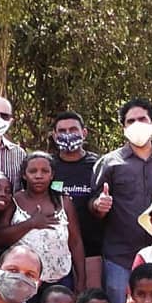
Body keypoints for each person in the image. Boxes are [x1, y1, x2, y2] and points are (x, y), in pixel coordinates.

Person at [89, 98, 152, 303]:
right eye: (131, 121)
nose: (137, 124)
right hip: (120, 257)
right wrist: (99, 205)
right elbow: (93, 203)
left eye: (142, 119)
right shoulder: (109, 162)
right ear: (123, 127)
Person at [0, 151, 86, 295]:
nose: (39, 176)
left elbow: (75, 242)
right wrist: (31, 223)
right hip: (22, 279)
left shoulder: (64, 202)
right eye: (33, 171)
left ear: (52, 175)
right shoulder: (14, 201)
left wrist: (81, 280)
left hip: (60, 277)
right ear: (24, 175)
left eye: (45, 171)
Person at [50, 111, 103, 288]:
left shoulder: (98, 165)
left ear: (84, 133)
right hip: (55, 250)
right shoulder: (48, 166)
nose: (67, 134)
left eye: (73, 129)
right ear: (54, 135)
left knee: (90, 298)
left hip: (92, 250)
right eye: (62, 131)